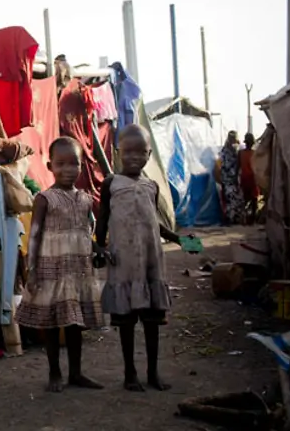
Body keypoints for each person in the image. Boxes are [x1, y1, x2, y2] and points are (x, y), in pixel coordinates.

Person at [96, 124, 182, 392]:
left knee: (152, 322)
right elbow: (102, 222)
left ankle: (153, 373)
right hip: (123, 265)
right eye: (128, 151)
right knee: (126, 321)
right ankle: (130, 374)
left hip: (151, 264)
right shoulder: (111, 184)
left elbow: (157, 224)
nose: (134, 157)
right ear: (117, 152)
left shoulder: (151, 185)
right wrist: (98, 248)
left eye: (141, 152)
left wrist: (182, 239)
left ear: (149, 154)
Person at [17, 136, 103, 393]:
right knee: (52, 323)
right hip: (50, 271)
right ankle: (55, 372)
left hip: (77, 271)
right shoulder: (45, 199)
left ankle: (76, 373)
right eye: (61, 163)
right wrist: (31, 270)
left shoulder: (86, 200)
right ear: (49, 165)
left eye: (74, 163)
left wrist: (99, 249)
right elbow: (33, 235)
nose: (68, 170)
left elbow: (88, 231)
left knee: (75, 323)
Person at [219, 131, 245, 225]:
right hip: (229, 179)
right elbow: (224, 165)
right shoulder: (228, 150)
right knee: (231, 199)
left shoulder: (232, 150)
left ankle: (234, 219)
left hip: (231, 179)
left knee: (234, 199)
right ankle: (230, 219)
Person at [239, 132, 259, 224]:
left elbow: (237, 167)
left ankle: (244, 218)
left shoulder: (240, 153)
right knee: (254, 199)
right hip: (253, 179)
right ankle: (253, 219)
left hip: (244, 178)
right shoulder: (255, 154)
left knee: (245, 199)